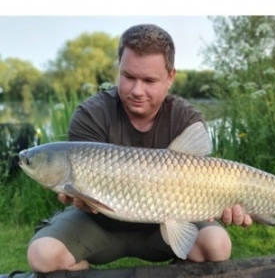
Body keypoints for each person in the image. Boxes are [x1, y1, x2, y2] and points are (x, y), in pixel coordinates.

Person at [27, 24, 253, 273]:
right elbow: (85, 201)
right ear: (119, 71)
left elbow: (201, 183)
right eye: (129, 77)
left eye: (149, 80)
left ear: (170, 77)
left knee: (217, 246)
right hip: (99, 223)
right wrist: (81, 199)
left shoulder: (185, 118)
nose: (137, 90)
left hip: (166, 223)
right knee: (43, 255)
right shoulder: (91, 114)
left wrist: (226, 201)